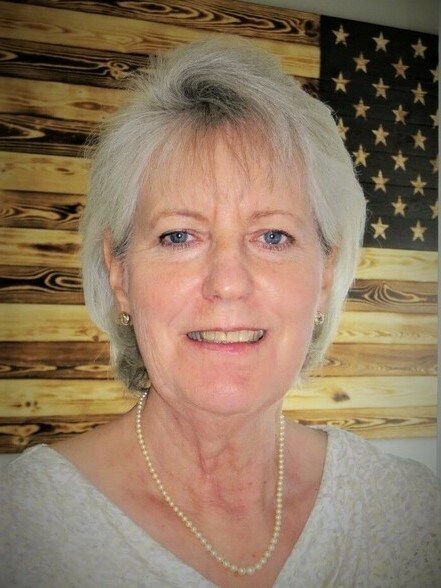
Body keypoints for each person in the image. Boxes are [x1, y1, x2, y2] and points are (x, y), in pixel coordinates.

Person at [1, 37, 440, 588]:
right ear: (119, 274)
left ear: (326, 273)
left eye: (273, 235)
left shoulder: (409, 514)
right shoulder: (22, 530)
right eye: (179, 235)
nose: (228, 283)